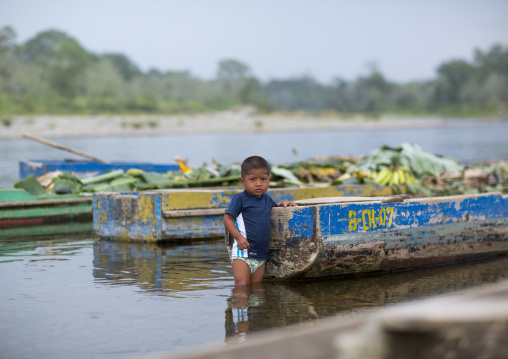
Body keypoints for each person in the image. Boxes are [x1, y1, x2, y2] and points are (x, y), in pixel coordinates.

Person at [224, 156, 296, 285]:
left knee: (257, 290)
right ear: (242, 181)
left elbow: (274, 210)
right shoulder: (240, 199)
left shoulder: (267, 200)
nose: (258, 183)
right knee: (242, 287)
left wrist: (283, 205)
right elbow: (228, 219)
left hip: (260, 256)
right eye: (253, 179)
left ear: (269, 180)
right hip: (243, 254)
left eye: (263, 179)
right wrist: (239, 238)